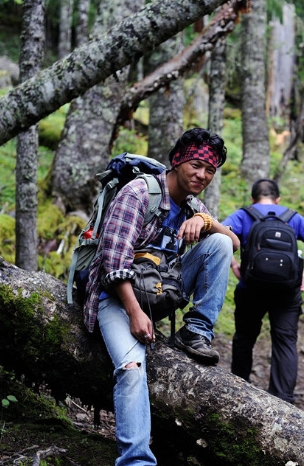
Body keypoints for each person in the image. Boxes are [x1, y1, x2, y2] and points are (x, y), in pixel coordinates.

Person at [82, 128, 240, 465]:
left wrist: (205, 220)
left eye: (210, 170)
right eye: (196, 165)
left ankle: (196, 331)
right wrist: (136, 313)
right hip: (117, 296)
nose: (202, 175)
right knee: (131, 367)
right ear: (177, 161)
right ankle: (136, 461)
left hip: (159, 291)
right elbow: (113, 262)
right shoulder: (138, 193)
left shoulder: (192, 206)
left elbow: (233, 242)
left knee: (221, 243)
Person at [222, 178, 304, 404]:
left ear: (253, 198)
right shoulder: (292, 216)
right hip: (287, 292)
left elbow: (220, 233)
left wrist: (233, 264)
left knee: (244, 339)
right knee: (285, 341)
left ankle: (237, 391)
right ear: (278, 199)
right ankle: (282, 400)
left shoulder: (244, 214)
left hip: (251, 288)